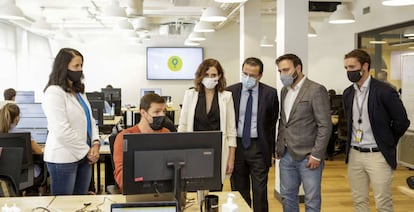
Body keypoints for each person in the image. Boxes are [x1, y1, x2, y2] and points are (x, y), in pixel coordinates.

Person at [343, 49, 410, 211]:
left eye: (352, 67)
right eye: (346, 68)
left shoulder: (384, 91)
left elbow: (402, 121)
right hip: (354, 154)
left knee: (383, 202)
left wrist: (387, 140)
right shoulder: (348, 93)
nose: (349, 71)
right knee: (359, 201)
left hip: (378, 155)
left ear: (365, 66)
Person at [275, 53, 331, 212]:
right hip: (286, 154)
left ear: (298, 68)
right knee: (287, 196)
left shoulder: (316, 90)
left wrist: (316, 154)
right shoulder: (284, 91)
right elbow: (283, 121)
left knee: (311, 199)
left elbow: (325, 125)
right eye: (280, 71)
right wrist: (279, 146)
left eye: (286, 70)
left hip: (308, 156)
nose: (282, 74)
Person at [42, 48, 101, 195]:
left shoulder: (79, 91)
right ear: (63, 67)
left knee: (80, 201)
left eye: (81, 65)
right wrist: (87, 151)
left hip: (84, 155)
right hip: (63, 157)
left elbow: (90, 119)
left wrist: (95, 143)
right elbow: (61, 130)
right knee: (64, 206)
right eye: (76, 66)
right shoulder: (54, 92)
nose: (80, 69)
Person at [226, 57, 278, 212]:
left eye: (252, 75)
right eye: (245, 74)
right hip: (237, 147)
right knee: (239, 190)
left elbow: (273, 123)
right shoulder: (230, 91)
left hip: (259, 147)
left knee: (260, 191)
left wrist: (273, 149)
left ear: (260, 76)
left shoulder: (270, 93)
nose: (248, 78)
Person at [178, 58, 237, 187]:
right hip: (193, 149)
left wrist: (231, 159)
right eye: (206, 75)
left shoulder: (226, 97)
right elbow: (183, 126)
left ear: (219, 76)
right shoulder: (190, 95)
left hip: (217, 151)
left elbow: (231, 130)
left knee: (214, 188)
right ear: (200, 76)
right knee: (193, 187)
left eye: (213, 75)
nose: (210, 78)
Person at [113, 93, 170, 191]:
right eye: (157, 112)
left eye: (164, 112)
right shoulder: (125, 137)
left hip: (165, 191)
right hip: (137, 191)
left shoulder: (166, 134)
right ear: (143, 113)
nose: (162, 115)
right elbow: (122, 178)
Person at [0, 103, 45, 195]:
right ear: (17, 118)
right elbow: (39, 152)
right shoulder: (24, 134)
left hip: (4, 174)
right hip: (24, 175)